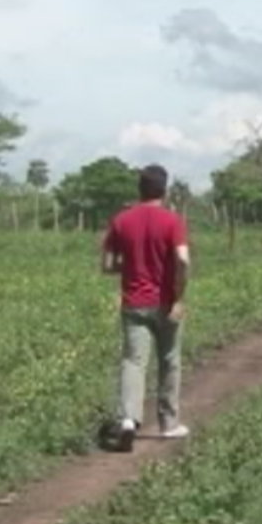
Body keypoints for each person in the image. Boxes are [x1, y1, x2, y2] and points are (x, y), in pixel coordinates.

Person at [101, 164, 190, 453]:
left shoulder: (121, 220)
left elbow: (107, 265)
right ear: (164, 190)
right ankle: (168, 423)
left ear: (139, 189)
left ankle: (128, 419)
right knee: (169, 360)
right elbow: (183, 260)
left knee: (133, 361)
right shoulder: (172, 220)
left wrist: (130, 266)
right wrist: (178, 296)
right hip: (165, 303)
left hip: (134, 303)